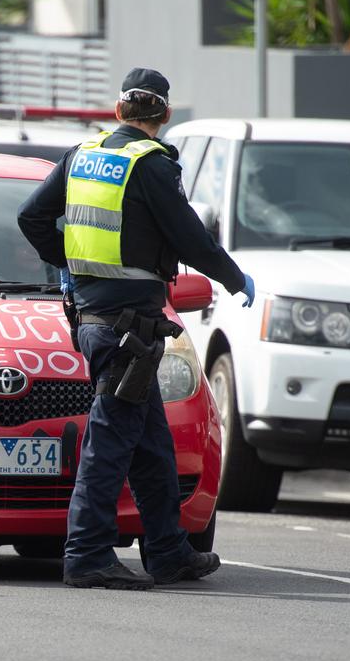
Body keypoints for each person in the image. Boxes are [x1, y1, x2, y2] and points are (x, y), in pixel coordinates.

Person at [18, 67, 254, 590]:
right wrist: (234, 277)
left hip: (99, 320)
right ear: (164, 115)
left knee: (150, 443)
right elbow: (189, 237)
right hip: (129, 326)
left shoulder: (82, 156)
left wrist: (69, 263)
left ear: (118, 110)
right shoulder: (150, 165)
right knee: (110, 442)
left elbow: (31, 217)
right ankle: (86, 555)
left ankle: (169, 552)